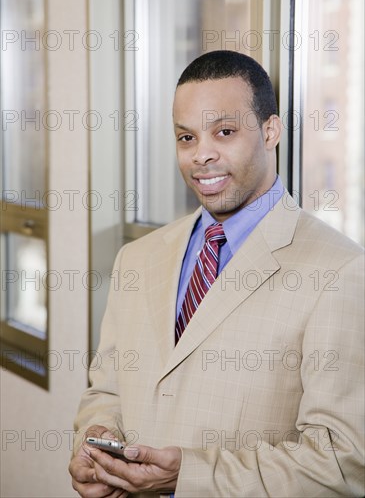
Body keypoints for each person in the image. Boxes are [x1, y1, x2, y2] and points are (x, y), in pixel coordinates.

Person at [69, 51, 364, 497]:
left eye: (223, 132)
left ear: (271, 131)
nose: (201, 155)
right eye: (186, 137)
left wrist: (185, 478)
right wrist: (97, 452)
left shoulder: (338, 270)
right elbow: (107, 390)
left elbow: (341, 463)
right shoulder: (137, 258)